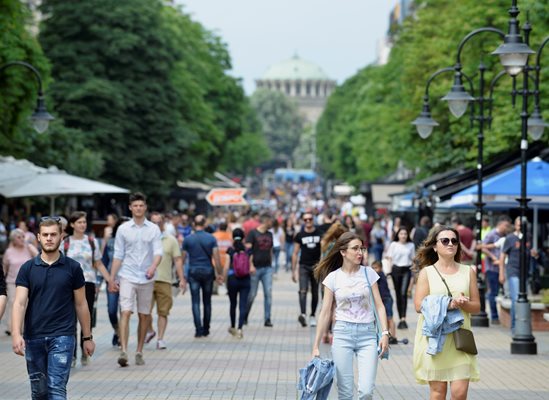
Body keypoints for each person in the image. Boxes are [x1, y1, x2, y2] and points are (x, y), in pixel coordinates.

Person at [12, 216, 95, 399]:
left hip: (63, 336)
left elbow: (81, 304)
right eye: (45, 235)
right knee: (39, 392)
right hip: (34, 337)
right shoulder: (28, 268)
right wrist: (17, 334)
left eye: (53, 235)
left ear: (61, 237)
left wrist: (87, 337)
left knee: (56, 388)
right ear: (39, 237)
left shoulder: (73, 268)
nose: (49, 238)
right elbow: (19, 302)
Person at [312, 232, 389, 399]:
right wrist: (316, 344)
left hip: (368, 335)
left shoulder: (369, 273)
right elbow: (325, 312)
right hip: (342, 334)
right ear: (343, 252)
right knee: (345, 392)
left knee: (366, 391)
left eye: (362, 248)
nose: (360, 252)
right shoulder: (333, 278)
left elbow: (379, 305)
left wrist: (385, 333)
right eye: (355, 249)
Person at [413, 225, 480, 400]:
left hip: (460, 339)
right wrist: (449, 304)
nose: (450, 244)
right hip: (436, 340)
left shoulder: (468, 271)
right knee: (438, 392)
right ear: (435, 246)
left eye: (454, 241)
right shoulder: (427, 273)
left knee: (459, 394)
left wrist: (462, 304)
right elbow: (419, 305)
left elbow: (477, 307)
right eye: (445, 240)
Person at [109, 192, 162, 367]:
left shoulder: (153, 229)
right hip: (127, 275)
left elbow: (158, 252)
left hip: (147, 277)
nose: (138, 208)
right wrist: (111, 278)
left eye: (141, 205)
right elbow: (118, 254)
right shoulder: (123, 229)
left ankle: (139, 350)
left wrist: (153, 267)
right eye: (135, 206)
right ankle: (124, 350)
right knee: (125, 311)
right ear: (130, 208)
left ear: (145, 207)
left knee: (144, 314)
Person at [64, 211, 111, 367]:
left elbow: (98, 263)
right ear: (72, 225)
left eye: (84, 222)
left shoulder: (91, 242)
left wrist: (109, 279)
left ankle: (85, 350)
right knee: (70, 320)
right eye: (79, 222)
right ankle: (72, 355)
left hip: (88, 283)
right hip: (68, 284)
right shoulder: (65, 242)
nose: (82, 225)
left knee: (86, 317)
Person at [145, 212, 184, 349]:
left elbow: (178, 260)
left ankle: (160, 338)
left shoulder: (170, 239)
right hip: (146, 280)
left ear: (163, 223)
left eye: (159, 222)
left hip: (165, 280)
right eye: (153, 222)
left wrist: (181, 279)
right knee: (145, 311)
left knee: (163, 311)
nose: (156, 225)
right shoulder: (144, 238)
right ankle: (149, 330)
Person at [181, 214, 223, 338]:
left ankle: (198, 329)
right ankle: (206, 329)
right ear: (205, 225)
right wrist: (219, 273)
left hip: (193, 271)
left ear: (194, 224)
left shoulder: (188, 239)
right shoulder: (211, 239)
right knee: (207, 302)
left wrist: (181, 275)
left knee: (195, 302)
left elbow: (182, 259)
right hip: (208, 272)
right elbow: (216, 258)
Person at [499, 216, 533, 332]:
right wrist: (501, 274)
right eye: (519, 224)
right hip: (513, 271)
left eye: (523, 225)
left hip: (525, 273)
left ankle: (522, 325)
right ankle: (514, 327)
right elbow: (502, 256)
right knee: (516, 298)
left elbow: (531, 252)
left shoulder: (528, 237)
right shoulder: (510, 238)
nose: (521, 227)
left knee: (524, 299)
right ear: (515, 225)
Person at [2, 229, 38, 336]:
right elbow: (4, 267)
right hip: (12, 281)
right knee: (13, 303)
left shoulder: (28, 249)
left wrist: (29, 245)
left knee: (26, 304)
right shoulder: (9, 252)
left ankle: (23, 327)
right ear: (13, 239)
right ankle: (12, 327)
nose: (22, 239)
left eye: (23, 236)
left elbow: (39, 257)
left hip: (28, 282)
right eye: (19, 237)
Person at [292, 211, 322, 327]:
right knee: (303, 290)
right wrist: (293, 270)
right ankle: (303, 314)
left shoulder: (320, 233)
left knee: (315, 292)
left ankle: (313, 315)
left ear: (313, 220)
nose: (308, 221)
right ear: (303, 221)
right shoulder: (300, 235)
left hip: (316, 266)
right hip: (303, 265)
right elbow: (295, 253)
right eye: (305, 220)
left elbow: (324, 250)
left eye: (310, 219)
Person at [102, 216, 128, 347]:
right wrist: (101, 280)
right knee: (112, 310)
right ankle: (117, 331)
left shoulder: (133, 243)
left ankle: (122, 337)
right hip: (112, 280)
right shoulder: (111, 242)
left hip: (128, 280)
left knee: (124, 310)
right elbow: (104, 261)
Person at [481, 215, 512, 324]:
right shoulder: (492, 234)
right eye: (506, 226)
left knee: (503, 292)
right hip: (492, 268)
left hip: (502, 268)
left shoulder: (506, 235)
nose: (507, 228)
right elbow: (483, 247)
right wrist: (493, 257)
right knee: (493, 292)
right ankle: (494, 317)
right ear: (500, 224)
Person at [245, 213, 274, 327]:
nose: (272, 225)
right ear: (266, 222)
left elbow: (270, 250)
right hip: (255, 268)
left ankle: (267, 319)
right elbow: (248, 251)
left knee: (268, 293)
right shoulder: (253, 233)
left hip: (267, 268)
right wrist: (250, 265)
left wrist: (271, 264)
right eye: (271, 223)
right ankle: (245, 315)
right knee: (252, 294)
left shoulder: (270, 234)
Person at [385, 227, 415, 330]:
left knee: (403, 293)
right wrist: (388, 270)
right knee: (398, 295)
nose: (403, 236)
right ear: (398, 235)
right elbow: (389, 258)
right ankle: (400, 318)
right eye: (401, 234)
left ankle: (403, 319)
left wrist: (414, 272)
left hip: (406, 270)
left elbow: (413, 259)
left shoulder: (411, 245)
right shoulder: (394, 245)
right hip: (395, 270)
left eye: (405, 234)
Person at [224, 228, 251, 339]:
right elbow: (251, 266)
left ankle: (233, 326)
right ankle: (240, 328)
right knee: (243, 304)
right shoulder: (248, 250)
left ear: (232, 237)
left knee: (233, 304)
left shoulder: (230, 250)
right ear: (244, 237)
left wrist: (222, 278)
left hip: (232, 279)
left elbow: (226, 266)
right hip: (245, 279)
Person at [371, 260, 397, 344]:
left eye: (376, 268)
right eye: (373, 268)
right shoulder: (377, 275)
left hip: (387, 299)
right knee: (383, 318)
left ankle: (393, 336)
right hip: (383, 299)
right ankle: (386, 334)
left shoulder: (380, 275)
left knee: (390, 318)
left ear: (381, 268)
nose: (374, 270)